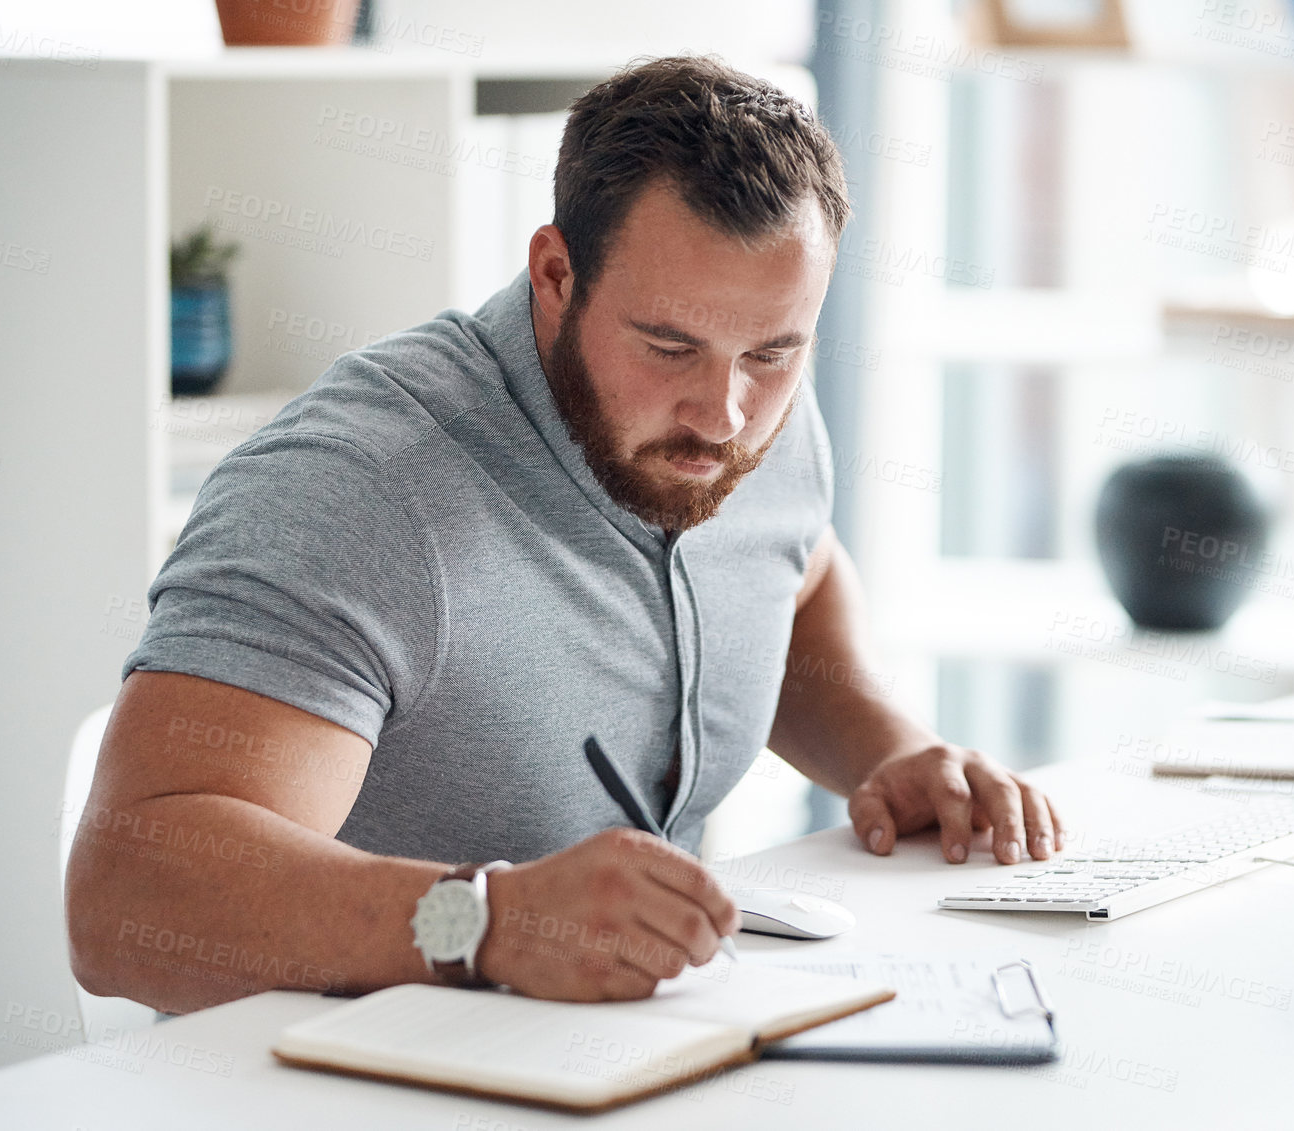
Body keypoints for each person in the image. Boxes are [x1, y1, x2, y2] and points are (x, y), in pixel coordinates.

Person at [66, 55, 1063, 1013]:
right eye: (668, 344)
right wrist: (488, 922)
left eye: (772, 350)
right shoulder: (356, 488)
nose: (721, 412)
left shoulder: (757, 423)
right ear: (553, 273)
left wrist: (888, 752)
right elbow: (126, 898)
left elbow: (790, 577)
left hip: (612, 1062)